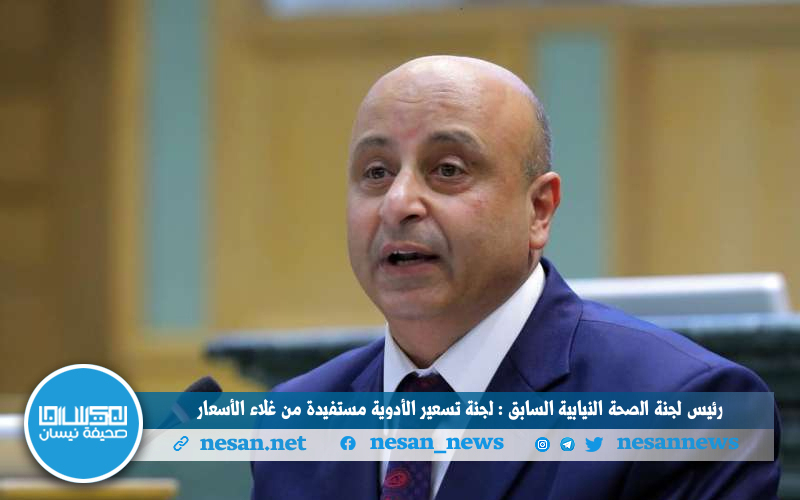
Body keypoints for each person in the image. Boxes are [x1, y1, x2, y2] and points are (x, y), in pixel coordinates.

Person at [251, 55, 781, 499]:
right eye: (376, 173)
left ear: (539, 210)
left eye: (448, 170)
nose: (398, 203)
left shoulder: (686, 410)